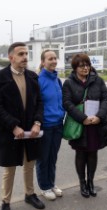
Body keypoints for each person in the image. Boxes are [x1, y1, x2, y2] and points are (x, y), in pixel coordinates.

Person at [0, 42, 45, 210]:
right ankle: (5, 202)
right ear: (11, 57)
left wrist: (37, 123)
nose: (25, 57)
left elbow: (39, 102)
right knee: (10, 168)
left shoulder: (32, 77)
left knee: (30, 164)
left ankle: (30, 194)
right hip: (9, 132)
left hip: (31, 130)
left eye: (26, 54)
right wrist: (13, 126)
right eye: (21, 54)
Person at [62, 53, 107, 198]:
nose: (85, 68)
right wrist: (82, 118)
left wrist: (99, 116)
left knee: (93, 153)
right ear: (75, 67)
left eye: (87, 64)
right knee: (80, 154)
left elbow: (106, 99)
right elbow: (67, 103)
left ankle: (91, 182)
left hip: (95, 124)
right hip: (80, 124)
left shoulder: (98, 81)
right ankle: (82, 183)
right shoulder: (69, 83)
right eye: (81, 65)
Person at [35, 50, 65, 201]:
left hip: (58, 125)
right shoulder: (39, 80)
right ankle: (44, 187)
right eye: (50, 59)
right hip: (45, 126)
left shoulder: (56, 79)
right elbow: (36, 105)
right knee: (43, 158)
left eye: (55, 58)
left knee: (53, 157)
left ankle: (51, 183)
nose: (53, 61)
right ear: (43, 62)